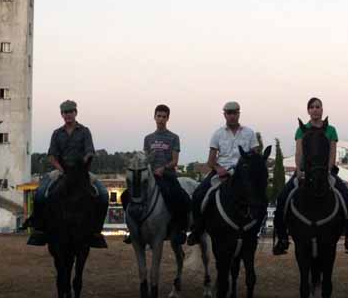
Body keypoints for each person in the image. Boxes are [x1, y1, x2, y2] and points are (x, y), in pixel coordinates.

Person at [272, 97, 348, 255]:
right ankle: (282, 238)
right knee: (282, 198)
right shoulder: (301, 130)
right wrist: (299, 170)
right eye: (312, 107)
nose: (315, 109)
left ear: (322, 109)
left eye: (318, 106)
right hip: (305, 171)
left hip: (326, 171)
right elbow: (299, 152)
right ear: (308, 110)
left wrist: (328, 169)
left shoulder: (331, 130)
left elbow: (332, 152)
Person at [27, 100, 108, 248]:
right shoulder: (57, 133)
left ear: (75, 113)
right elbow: (51, 155)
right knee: (40, 193)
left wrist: (81, 167)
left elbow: (90, 152)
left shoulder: (85, 131)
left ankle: (96, 232)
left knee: (103, 194)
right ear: (61, 114)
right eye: (65, 112)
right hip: (61, 170)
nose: (68, 115)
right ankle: (39, 231)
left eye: (70, 111)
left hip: (81, 171)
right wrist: (61, 168)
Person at [187, 101, 258, 245]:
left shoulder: (249, 133)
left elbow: (255, 156)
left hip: (242, 174)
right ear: (225, 114)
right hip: (222, 172)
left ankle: (256, 227)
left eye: (235, 113)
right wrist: (219, 169)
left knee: (259, 198)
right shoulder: (218, 134)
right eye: (229, 113)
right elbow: (210, 161)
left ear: (239, 113)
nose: (232, 116)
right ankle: (197, 229)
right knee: (199, 194)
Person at [122, 104, 191, 244]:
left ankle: (179, 230)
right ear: (154, 117)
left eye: (164, 117)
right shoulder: (148, 138)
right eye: (158, 116)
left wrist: (163, 168)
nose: (161, 119)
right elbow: (146, 159)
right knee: (125, 196)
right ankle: (132, 229)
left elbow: (175, 161)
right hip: (151, 177)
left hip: (168, 176)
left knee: (182, 198)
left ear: (168, 118)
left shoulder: (173, 137)